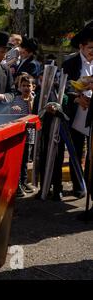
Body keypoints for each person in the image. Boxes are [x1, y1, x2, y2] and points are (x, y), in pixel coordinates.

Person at [64, 20, 93, 201]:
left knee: (92, 151)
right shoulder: (71, 63)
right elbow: (64, 86)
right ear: (82, 46)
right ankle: (78, 184)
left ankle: (90, 183)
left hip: (92, 112)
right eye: (90, 47)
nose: (92, 51)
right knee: (76, 149)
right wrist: (78, 97)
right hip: (76, 112)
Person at [10, 73, 36, 197]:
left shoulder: (34, 99)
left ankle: (24, 182)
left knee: (25, 160)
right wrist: (13, 109)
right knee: (18, 161)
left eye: (28, 85)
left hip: (29, 136)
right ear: (19, 87)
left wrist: (31, 102)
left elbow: (33, 115)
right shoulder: (16, 99)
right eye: (23, 85)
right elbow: (12, 116)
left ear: (33, 87)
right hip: (19, 135)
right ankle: (18, 184)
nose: (26, 88)